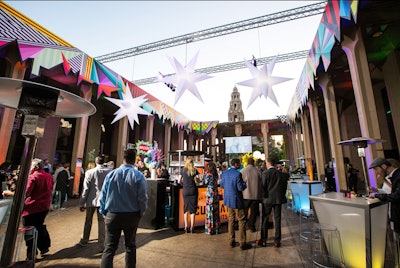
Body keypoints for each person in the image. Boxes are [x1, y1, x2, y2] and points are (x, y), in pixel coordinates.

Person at [99, 149, 148, 268]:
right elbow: (142, 198)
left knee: (109, 248)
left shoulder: (111, 174)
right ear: (134, 159)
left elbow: (103, 196)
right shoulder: (139, 176)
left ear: (123, 158)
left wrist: (104, 212)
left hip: (112, 214)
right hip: (131, 216)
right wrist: (141, 213)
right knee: (130, 246)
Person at [369, 157, 400, 266]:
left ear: (384, 166)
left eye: (377, 169)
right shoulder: (393, 177)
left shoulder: (398, 176)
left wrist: (377, 195)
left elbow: (396, 196)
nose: (377, 172)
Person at [78, 156, 112, 252]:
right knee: (102, 222)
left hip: (91, 201)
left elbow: (86, 189)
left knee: (88, 220)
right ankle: (102, 244)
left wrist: (82, 203)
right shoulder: (109, 172)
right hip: (103, 201)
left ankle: (85, 240)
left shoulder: (90, 172)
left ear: (95, 162)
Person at [22, 158, 54, 260]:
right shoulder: (48, 176)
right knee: (39, 226)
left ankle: (31, 254)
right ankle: (44, 246)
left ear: (35, 167)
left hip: (31, 208)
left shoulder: (33, 177)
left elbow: (26, 192)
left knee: (29, 230)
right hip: (44, 207)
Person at [220, 158, 250, 250]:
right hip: (237, 200)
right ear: (236, 164)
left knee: (231, 220)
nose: (240, 165)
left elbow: (222, 185)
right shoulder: (238, 174)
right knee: (241, 220)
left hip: (228, 200)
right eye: (239, 164)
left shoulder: (224, 173)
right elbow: (240, 188)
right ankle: (242, 242)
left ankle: (231, 240)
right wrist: (245, 184)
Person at [258, 158, 287, 248]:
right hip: (278, 199)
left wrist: (263, 197)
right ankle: (277, 241)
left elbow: (262, 187)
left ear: (268, 163)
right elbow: (284, 186)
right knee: (277, 219)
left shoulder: (265, 173)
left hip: (267, 199)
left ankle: (263, 240)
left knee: (265, 219)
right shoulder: (281, 174)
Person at [177, 157, 199, 233]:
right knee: (193, 209)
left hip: (185, 190)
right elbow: (197, 181)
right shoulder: (195, 170)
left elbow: (179, 181)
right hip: (193, 190)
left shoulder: (183, 170)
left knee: (186, 208)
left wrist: (184, 183)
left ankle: (186, 226)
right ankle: (192, 227)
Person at [240, 158, 262, 233]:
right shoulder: (258, 171)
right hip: (255, 195)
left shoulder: (243, 171)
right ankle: (252, 226)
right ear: (253, 163)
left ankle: (244, 225)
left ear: (247, 163)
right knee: (254, 212)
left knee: (245, 212)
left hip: (245, 195)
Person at [204, 161, 221, 235]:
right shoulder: (216, 175)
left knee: (209, 213)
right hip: (216, 194)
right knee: (216, 213)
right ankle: (216, 229)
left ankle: (210, 229)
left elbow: (205, 182)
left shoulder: (209, 175)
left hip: (210, 195)